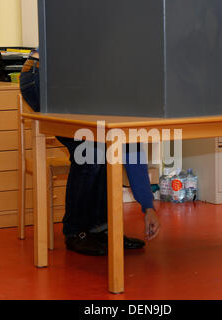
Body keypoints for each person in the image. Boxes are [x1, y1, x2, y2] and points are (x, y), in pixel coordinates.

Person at [20, 49, 160, 256]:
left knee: (101, 149)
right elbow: (131, 147)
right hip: (44, 74)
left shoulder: (126, 85)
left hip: (74, 76)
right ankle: (76, 232)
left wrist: (148, 207)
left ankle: (101, 230)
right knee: (90, 152)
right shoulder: (120, 78)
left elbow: (131, 143)